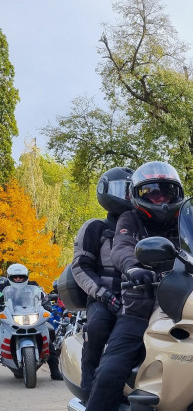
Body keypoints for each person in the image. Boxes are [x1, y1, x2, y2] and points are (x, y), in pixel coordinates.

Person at [71, 161, 185, 411]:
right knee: (110, 371)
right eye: (152, 192)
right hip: (138, 308)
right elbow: (122, 249)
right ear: (138, 196)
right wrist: (133, 267)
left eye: (166, 192)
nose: (160, 199)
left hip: (183, 305)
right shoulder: (129, 219)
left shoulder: (185, 222)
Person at [71, 167, 133, 393]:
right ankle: (88, 387)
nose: (127, 196)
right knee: (97, 326)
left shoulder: (142, 229)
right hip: (104, 298)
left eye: (131, 191)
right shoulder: (95, 227)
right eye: (121, 190)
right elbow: (80, 266)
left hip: (138, 299)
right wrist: (103, 295)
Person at [0, 263, 63, 380]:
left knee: (48, 333)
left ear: (26, 276)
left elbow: (43, 297)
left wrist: (47, 304)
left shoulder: (33, 285)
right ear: (10, 277)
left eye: (21, 277)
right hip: (10, 317)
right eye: (15, 277)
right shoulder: (3, 287)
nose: (18, 279)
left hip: (31, 316)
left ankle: (55, 372)